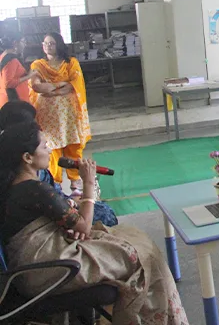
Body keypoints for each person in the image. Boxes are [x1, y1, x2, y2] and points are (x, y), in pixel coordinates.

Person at [0, 121, 188, 324]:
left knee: (131, 239)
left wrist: (76, 222)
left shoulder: (15, 186)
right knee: (145, 256)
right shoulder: (36, 190)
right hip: (48, 270)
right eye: (44, 146)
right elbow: (83, 226)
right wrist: (88, 183)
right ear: (27, 157)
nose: (50, 150)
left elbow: (70, 223)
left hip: (36, 268)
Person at [29, 33, 91, 195]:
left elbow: (74, 85)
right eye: (45, 43)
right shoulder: (38, 65)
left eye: (52, 43)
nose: (48, 46)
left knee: (73, 147)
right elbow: (36, 87)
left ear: (59, 45)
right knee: (51, 149)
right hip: (48, 115)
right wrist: (61, 83)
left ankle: (75, 185)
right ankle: (54, 184)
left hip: (69, 114)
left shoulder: (71, 63)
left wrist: (52, 89)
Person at [0, 34, 37, 108]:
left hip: (7, 98)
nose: (25, 44)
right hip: (15, 100)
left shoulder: (2, 56)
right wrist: (29, 76)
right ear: (15, 43)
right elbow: (8, 83)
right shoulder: (11, 59)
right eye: (23, 41)